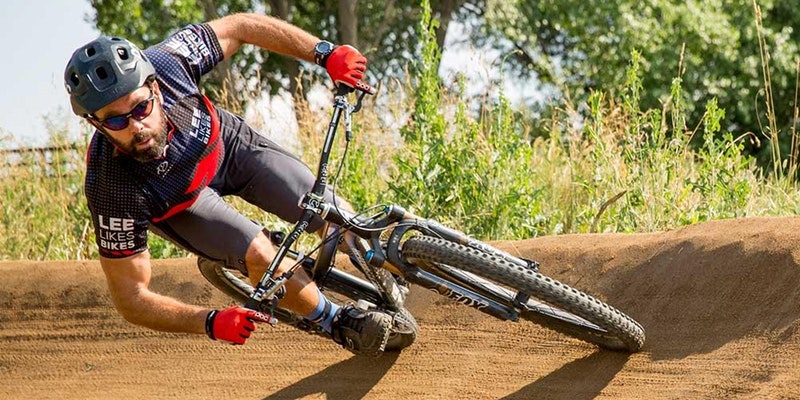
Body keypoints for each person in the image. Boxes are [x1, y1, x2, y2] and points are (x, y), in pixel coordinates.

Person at [63, 13, 391, 357]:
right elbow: (131, 298)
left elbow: (241, 27)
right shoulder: (110, 186)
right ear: (94, 124)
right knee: (263, 255)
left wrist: (324, 53)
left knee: (337, 217)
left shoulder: (169, 62)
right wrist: (209, 322)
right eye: (116, 120)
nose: (136, 126)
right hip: (184, 204)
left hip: (229, 148)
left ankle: (416, 266)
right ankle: (335, 321)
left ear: (155, 87)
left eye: (141, 107)